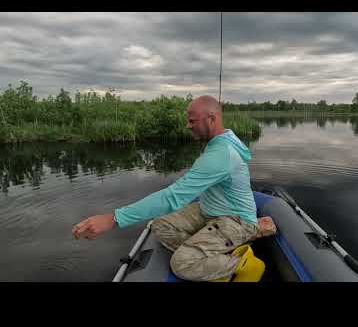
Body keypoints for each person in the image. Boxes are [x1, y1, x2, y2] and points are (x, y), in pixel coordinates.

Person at [72, 95, 273, 282]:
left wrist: (113, 218)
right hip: (209, 210)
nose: (188, 125)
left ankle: (244, 263)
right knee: (160, 225)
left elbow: (171, 198)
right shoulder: (225, 138)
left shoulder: (221, 153)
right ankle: (213, 250)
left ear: (211, 119)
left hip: (235, 219)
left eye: (192, 121)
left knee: (181, 263)